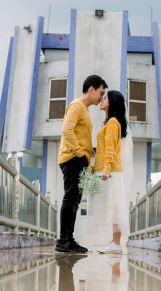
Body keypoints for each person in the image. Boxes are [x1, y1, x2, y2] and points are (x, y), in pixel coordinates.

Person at [56, 75, 108, 254]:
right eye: (101, 92)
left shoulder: (84, 109)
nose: (102, 97)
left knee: (75, 200)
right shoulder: (76, 106)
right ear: (91, 89)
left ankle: (69, 240)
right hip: (72, 159)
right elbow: (66, 130)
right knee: (70, 198)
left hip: (79, 161)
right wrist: (79, 153)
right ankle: (63, 240)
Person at [87, 90, 133, 253]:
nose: (101, 100)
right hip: (109, 170)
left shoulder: (113, 123)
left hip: (112, 171)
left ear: (112, 102)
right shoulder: (109, 123)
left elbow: (111, 149)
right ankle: (115, 243)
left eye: (104, 97)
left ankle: (116, 244)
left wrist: (106, 169)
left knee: (115, 208)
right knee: (113, 207)